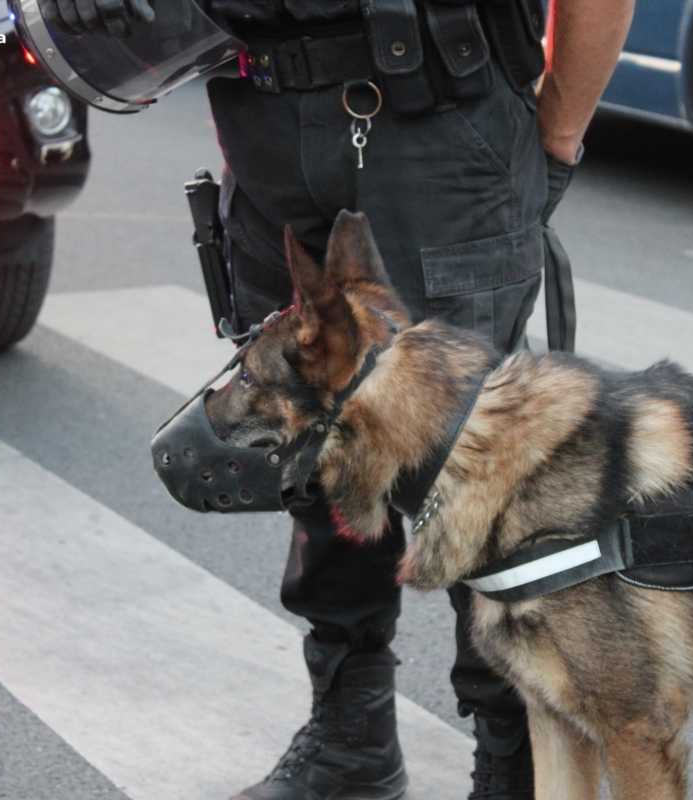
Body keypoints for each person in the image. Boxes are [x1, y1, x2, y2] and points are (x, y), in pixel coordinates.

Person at [47, 1, 634, 797]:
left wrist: (563, 125)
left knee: (473, 461)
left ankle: (515, 758)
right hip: (264, 120)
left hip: (438, 115)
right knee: (312, 441)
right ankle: (349, 735)